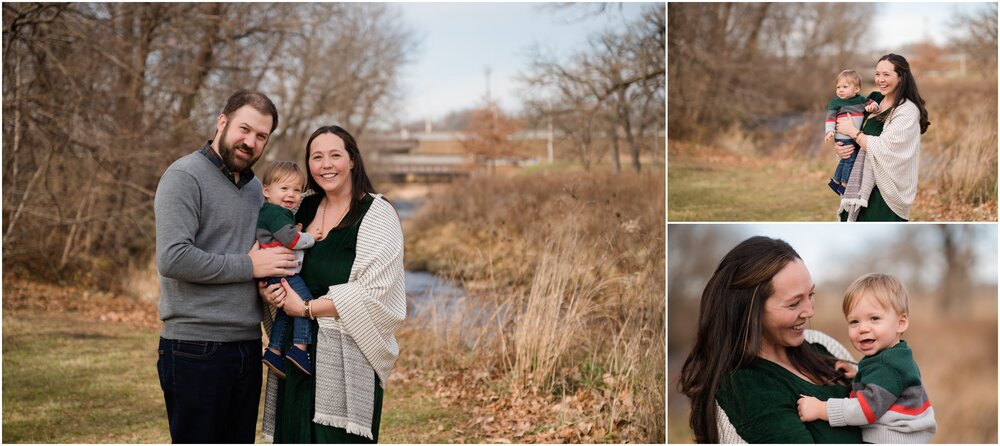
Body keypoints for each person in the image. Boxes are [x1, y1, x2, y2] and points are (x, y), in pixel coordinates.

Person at [154, 90, 299, 443]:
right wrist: (250, 267)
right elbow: (173, 258)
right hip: (194, 347)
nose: (250, 142)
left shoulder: (256, 191)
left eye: (261, 136)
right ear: (222, 122)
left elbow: (258, 254)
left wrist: (267, 280)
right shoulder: (184, 176)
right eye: (244, 129)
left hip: (247, 346)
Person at [258, 125, 406, 443]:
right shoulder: (301, 207)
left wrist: (307, 308)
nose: (326, 164)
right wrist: (267, 288)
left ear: (352, 160)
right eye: (317, 157)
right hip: (293, 355)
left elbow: (377, 291)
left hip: (345, 359)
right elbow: (272, 251)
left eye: (335, 155)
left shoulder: (376, 214)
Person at [678, 236, 862, 443]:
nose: (810, 312)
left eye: (811, 294)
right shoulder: (746, 388)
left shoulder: (821, 344)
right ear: (750, 310)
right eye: (794, 304)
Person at [797, 273, 937, 443]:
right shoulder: (894, 356)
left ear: (901, 323)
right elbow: (884, 388)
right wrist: (858, 376)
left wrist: (821, 409)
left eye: (874, 318)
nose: (863, 328)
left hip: (895, 439)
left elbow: (866, 410)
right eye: (854, 321)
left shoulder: (889, 366)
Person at [834, 54, 930, 221]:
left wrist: (853, 133)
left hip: (884, 192)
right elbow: (850, 128)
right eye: (877, 74)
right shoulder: (873, 99)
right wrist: (841, 148)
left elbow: (886, 148)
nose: (880, 79)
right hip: (859, 185)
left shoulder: (907, 110)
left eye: (886, 74)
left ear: (901, 77)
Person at [257, 161, 317, 378]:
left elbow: (283, 233)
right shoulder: (275, 213)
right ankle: (300, 350)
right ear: (266, 190)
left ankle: (274, 351)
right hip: (283, 273)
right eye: (284, 188)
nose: (291, 194)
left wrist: (295, 229)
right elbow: (291, 240)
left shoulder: (275, 212)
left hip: (276, 274)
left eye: (297, 190)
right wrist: (312, 237)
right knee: (304, 303)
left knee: (285, 311)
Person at [824, 69, 881, 195]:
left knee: (845, 159)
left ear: (856, 89)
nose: (840, 90)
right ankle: (844, 184)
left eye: (845, 86)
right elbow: (830, 118)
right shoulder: (836, 102)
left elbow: (875, 104)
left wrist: (873, 107)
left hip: (853, 135)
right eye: (838, 87)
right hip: (843, 136)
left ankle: (835, 181)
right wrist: (829, 131)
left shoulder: (861, 100)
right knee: (851, 158)